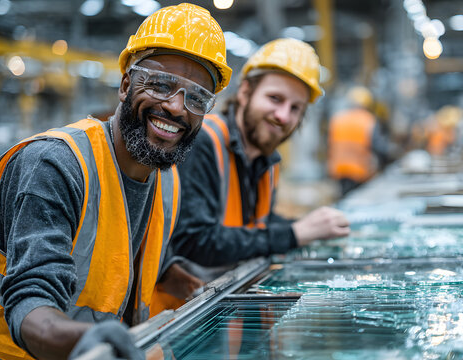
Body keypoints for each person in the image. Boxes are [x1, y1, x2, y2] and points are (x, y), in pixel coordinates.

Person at [0, 3, 231, 360]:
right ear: (126, 84)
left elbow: (125, 252)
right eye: (160, 84)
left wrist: (192, 285)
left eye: (197, 97)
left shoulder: (166, 182)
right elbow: (30, 298)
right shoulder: (55, 164)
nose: (175, 107)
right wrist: (85, 340)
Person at [150, 38, 351, 313]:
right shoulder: (203, 140)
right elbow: (193, 240)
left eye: (296, 109)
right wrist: (294, 234)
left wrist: (312, 228)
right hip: (181, 320)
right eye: (275, 99)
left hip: (226, 310)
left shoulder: (266, 160)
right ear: (245, 92)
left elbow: (255, 223)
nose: (283, 116)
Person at [327, 86, 391, 196]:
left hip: (339, 168)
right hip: (359, 170)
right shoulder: (368, 120)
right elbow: (378, 146)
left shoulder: (338, 118)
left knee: (344, 198)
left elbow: (329, 144)